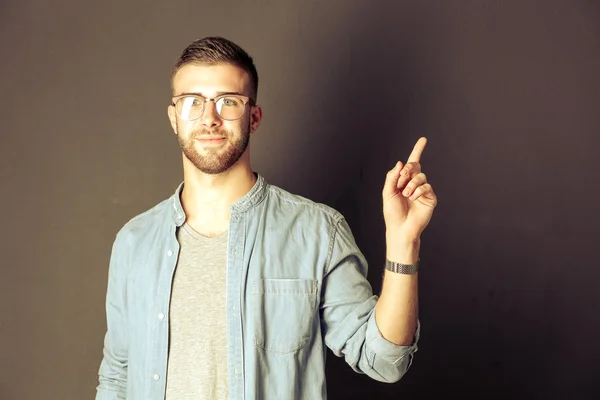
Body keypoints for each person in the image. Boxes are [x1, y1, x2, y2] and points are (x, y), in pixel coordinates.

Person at [96, 36, 437, 400]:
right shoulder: (134, 242)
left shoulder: (317, 232)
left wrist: (404, 244)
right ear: (173, 118)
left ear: (254, 117)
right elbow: (118, 377)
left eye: (228, 102)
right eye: (192, 102)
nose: (209, 118)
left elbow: (384, 361)